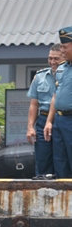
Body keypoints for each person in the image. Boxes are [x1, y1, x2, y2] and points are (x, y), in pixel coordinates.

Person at [26, 45, 62, 177]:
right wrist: (30, 127)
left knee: (61, 160)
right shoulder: (40, 76)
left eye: (56, 59)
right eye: (50, 58)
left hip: (61, 119)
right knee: (43, 161)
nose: (53, 62)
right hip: (42, 120)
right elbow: (34, 104)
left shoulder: (68, 76)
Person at [44, 27, 72, 177]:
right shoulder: (61, 69)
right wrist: (49, 121)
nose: (61, 50)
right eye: (60, 46)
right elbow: (56, 96)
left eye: (64, 47)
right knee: (60, 162)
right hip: (59, 121)